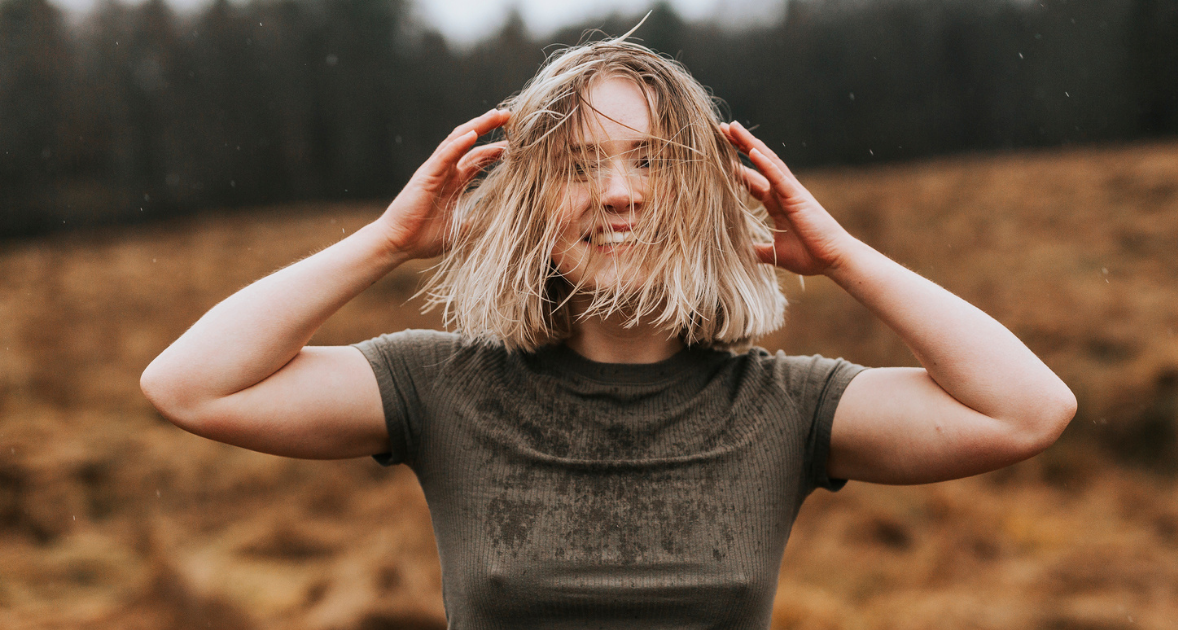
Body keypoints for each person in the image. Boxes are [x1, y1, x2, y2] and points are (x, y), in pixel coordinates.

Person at [141, 33, 1075, 630]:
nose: (619, 193)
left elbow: (1028, 412)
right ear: (531, 203)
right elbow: (191, 386)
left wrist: (838, 255)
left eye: (654, 163)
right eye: (580, 164)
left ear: (701, 193)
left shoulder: (788, 406)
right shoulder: (441, 388)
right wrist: (389, 243)